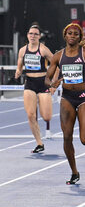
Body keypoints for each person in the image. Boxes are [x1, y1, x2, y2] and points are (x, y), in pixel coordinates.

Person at [45, 23, 85, 185]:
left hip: (83, 96)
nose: (72, 36)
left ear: (80, 38)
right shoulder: (58, 56)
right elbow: (47, 77)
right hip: (67, 97)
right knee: (66, 137)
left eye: (76, 34)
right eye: (70, 33)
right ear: (65, 35)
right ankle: (74, 172)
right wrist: (52, 83)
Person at [15, 25, 57, 153]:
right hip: (30, 83)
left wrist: (54, 82)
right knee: (31, 115)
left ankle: (42, 102)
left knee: (47, 117)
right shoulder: (23, 50)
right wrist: (17, 72)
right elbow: (19, 66)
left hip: (43, 83)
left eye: (36, 34)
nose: (33, 36)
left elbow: (56, 64)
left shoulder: (43, 50)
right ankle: (39, 143)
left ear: (39, 36)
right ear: (27, 35)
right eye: (31, 33)